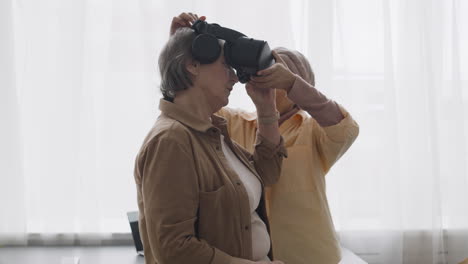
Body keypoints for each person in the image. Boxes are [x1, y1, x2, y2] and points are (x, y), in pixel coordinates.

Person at [133, 13, 287, 264]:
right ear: (192, 65)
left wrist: (266, 108)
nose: (235, 78)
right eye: (226, 66)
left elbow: (267, 173)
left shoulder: (211, 133)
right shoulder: (171, 140)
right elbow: (174, 249)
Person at [217, 46, 360, 264]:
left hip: (309, 256)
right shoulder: (235, 122)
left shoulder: (314, 131)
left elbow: (346, 128)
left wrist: (292, 83)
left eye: (280, 74)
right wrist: (184, 49)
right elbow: (193, 104)